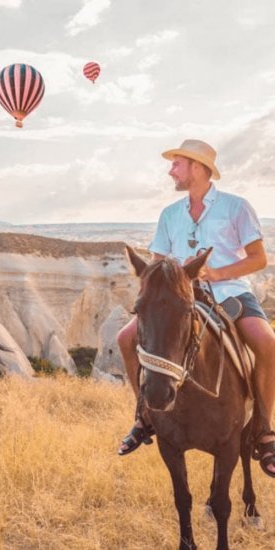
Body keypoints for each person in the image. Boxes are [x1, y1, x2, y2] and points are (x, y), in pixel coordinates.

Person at [116, 139, 275, 478]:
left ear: (198, 168)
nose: (171, 170)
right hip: (179, 297)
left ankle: (263, 427)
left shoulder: (236, 207)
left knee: (266, 341)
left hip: (229, 291)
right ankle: (143, 415)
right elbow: (157, 265)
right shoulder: (170, 214)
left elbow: (259, 258)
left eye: (177, 164)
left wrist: (216, 272)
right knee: (125, 339)